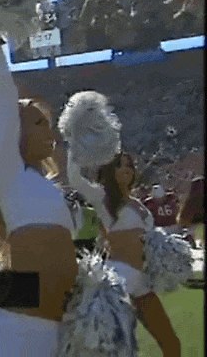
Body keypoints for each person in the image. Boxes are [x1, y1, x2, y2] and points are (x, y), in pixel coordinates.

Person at [0, 33, 77, 356]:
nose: (49, 130)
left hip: (58, 330)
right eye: (38, 123)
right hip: (19, 332)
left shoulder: (47, 186)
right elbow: (4, 96)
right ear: (14, 132)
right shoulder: (8, 174)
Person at [67, 151, 180, 357]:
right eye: (120, 165)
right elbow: (75, 179)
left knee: (171, 344)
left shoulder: (138, 203)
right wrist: (77, 147)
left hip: (142, 282)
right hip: (118, 281)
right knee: (117, 349)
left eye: (129, 165)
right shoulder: (102, 197)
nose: (127, 168)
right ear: (110, 171)